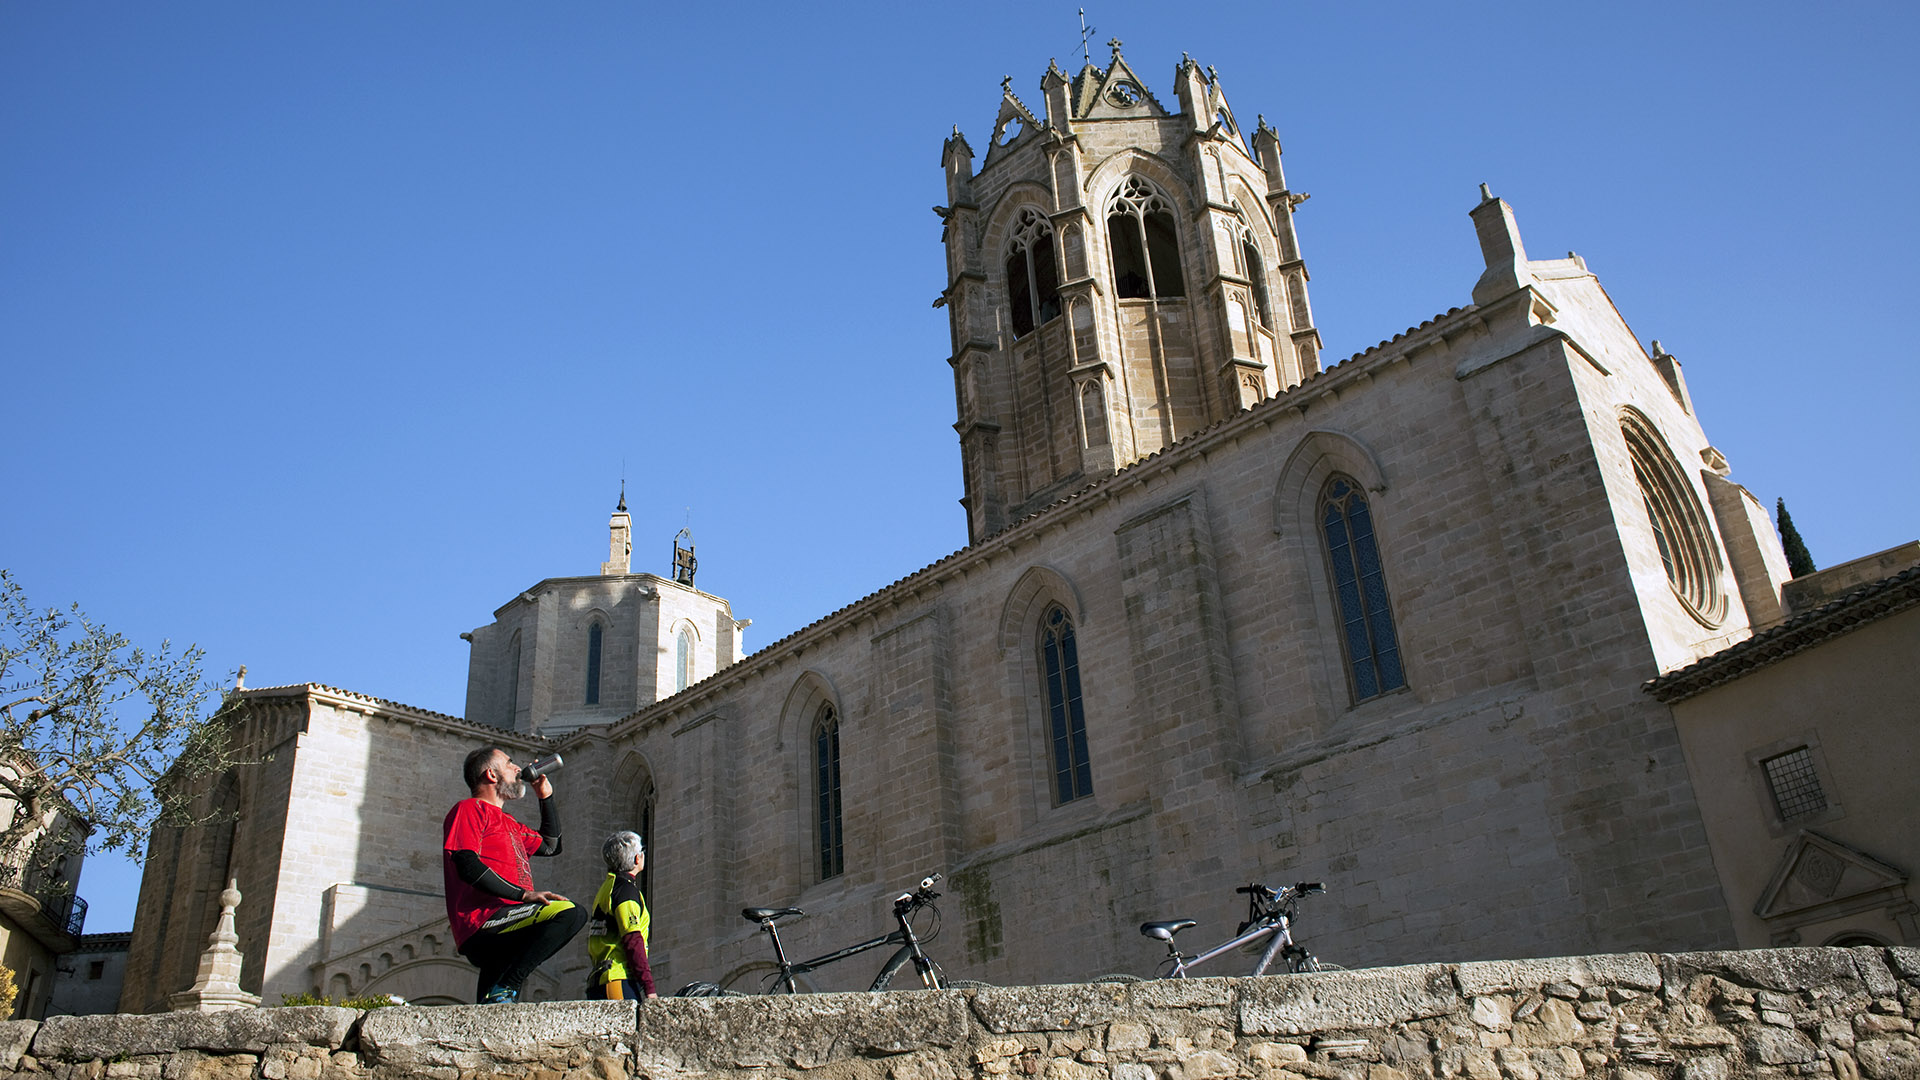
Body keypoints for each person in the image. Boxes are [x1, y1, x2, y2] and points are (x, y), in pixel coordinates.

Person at [442, 745, 587, 1003]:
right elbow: (466, 863)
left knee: (493, 1007)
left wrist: (545, 797)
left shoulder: (510, 824)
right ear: (491, 775)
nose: (518, 768)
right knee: (570, 912)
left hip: (510, 919)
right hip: (484, 920)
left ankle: (497, 997)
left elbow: (551, 845)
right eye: (510, 763)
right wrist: (523, 895)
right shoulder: (469, 809)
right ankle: (509, 984)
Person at [587, 830, 657, 1000]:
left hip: (602, 978)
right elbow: (632, 938)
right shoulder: (625, 890)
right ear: (636, 859)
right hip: (618, 978)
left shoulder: (608, 886)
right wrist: (649, 987)